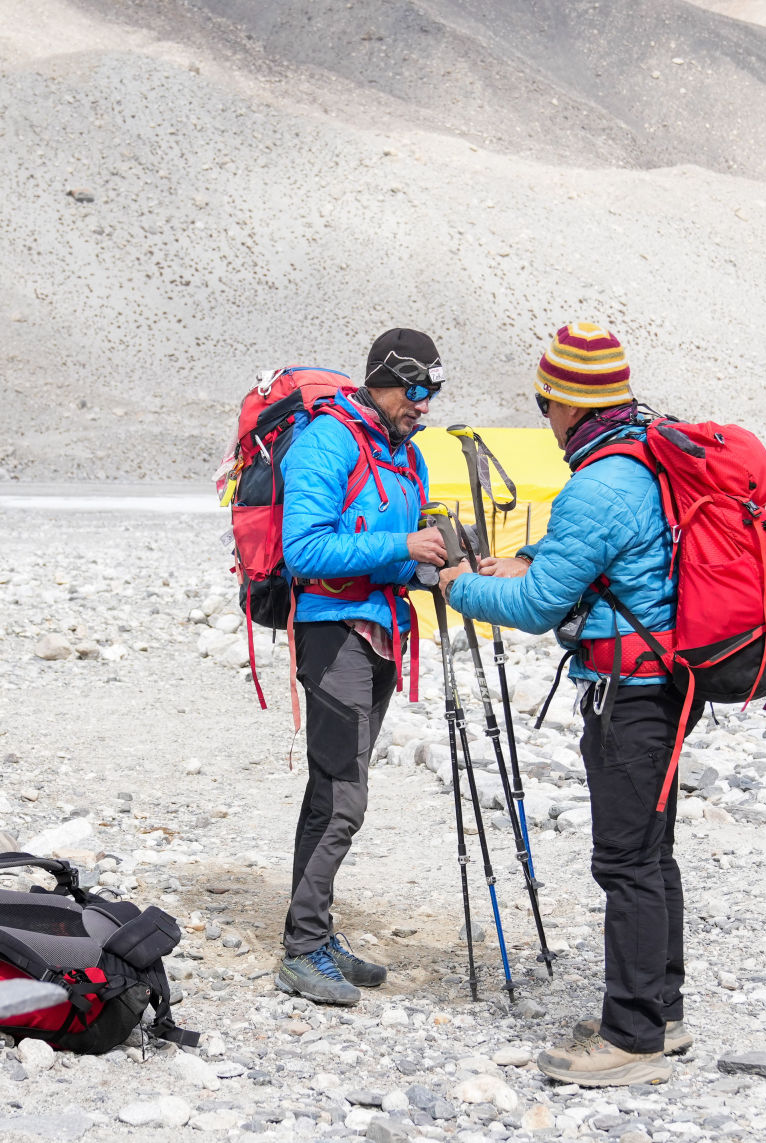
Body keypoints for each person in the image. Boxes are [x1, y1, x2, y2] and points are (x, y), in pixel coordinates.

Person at [439, 322, 704, 1086]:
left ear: (570, 404)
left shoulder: (599, 481)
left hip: (631, 696)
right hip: (668, 683)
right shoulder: (646, 451)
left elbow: (536, 605)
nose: (544, 418)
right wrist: (525, 559)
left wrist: (460, 584)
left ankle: (632, 1040)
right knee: (652, 852)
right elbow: (592, 556)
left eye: (544, 402)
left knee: (625, 862)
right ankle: (661, 1012)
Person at [275, 328, 448, 1005]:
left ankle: (315, 932)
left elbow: (395, 555)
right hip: (333, 635)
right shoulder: (329, 440)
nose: (423, 404)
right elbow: (303, 550)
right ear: (383, 380)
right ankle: (302, 951)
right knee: (344, 797)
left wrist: (435, 565)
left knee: (333, 789)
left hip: (381, 636)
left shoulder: (406, 453)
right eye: (416, 390)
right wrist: (404, 544)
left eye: (432, 392)